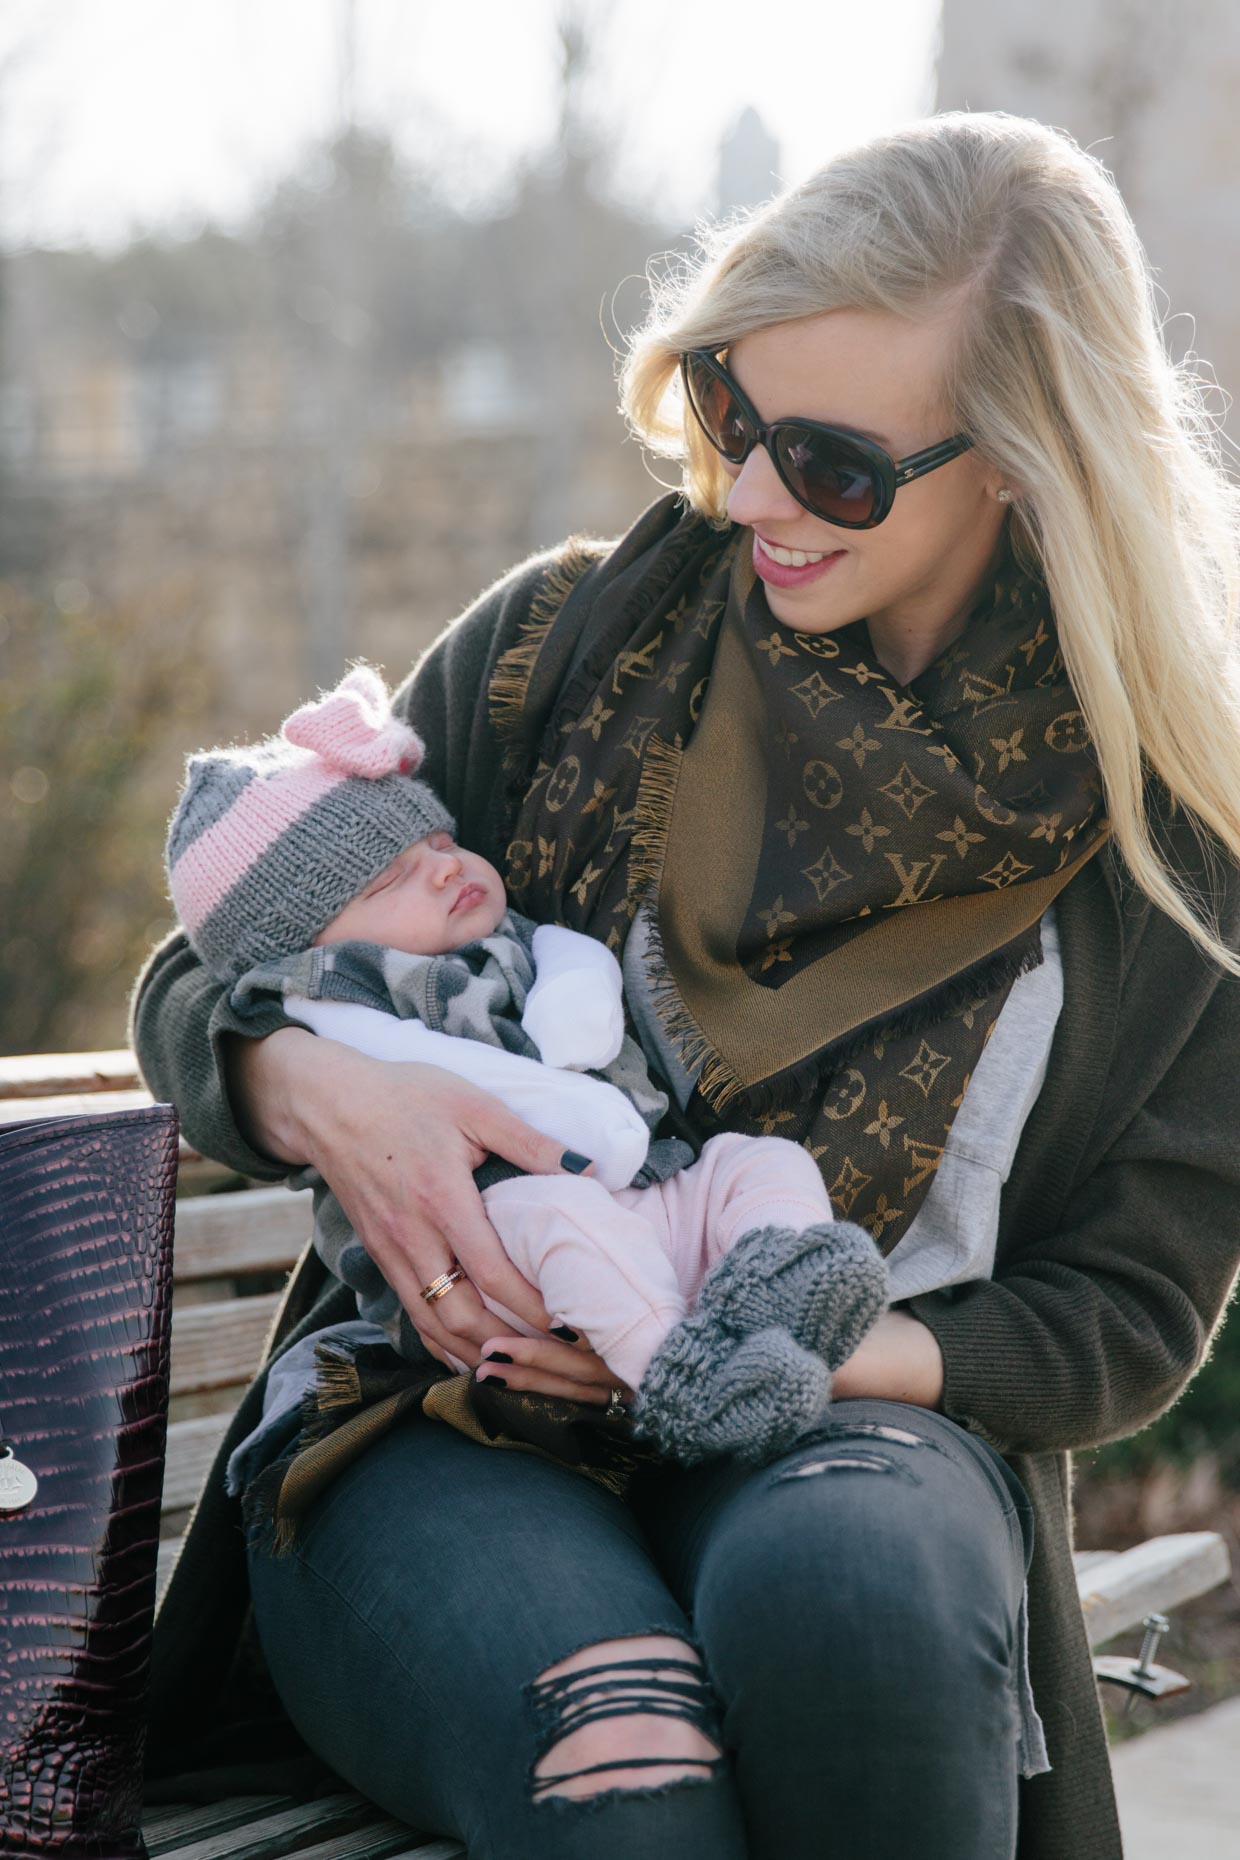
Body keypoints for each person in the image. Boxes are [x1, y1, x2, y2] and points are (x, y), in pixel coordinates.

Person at [130, 110, 1240, 1860]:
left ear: (1027, 459)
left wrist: (784, 1348)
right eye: (730, 411)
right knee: (623, 1770)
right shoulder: (558, 653)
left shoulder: (1171, 835)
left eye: (835, 464)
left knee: (861, 1629)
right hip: (440, 1428)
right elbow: (210, 976)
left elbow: (1127, 1313)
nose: (746, 496)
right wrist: (311, 1085)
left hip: (848, 1422)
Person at [161, 659, 891, 1468]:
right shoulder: (341, 1000)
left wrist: (573, 995)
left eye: (440, 841)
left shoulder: (505, 941)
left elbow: (576, 970)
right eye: (392, 877)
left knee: (754, 1162)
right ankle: (689, 1382)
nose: (444, 866)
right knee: (566, 1224)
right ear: (311, 945)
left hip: (645, 1186)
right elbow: (441, 1082)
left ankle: (779, 1281)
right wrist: (295, 1081)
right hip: (495, 1237)